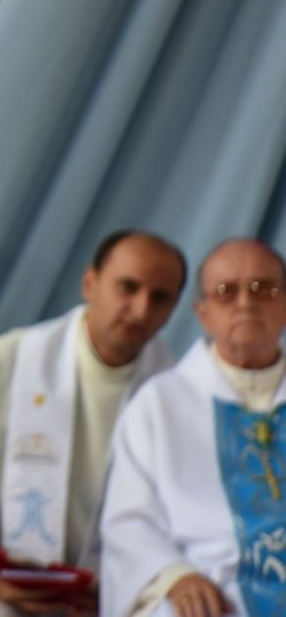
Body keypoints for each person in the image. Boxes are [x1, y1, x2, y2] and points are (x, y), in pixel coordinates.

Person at [0, 231, 187, 617]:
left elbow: (186, 522)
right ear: (90, 282)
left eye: (160, 298)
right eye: (128, 287)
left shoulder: (177, 398)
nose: (140, 309)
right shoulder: (0, 368)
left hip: (115, 596)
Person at [100, 238, 286, 617]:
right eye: (225, 291)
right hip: (212, 593)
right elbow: (128, 521)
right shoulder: (160, 403)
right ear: (203, 313)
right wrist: (174, 577)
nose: (245, 303)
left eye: (262, 289)